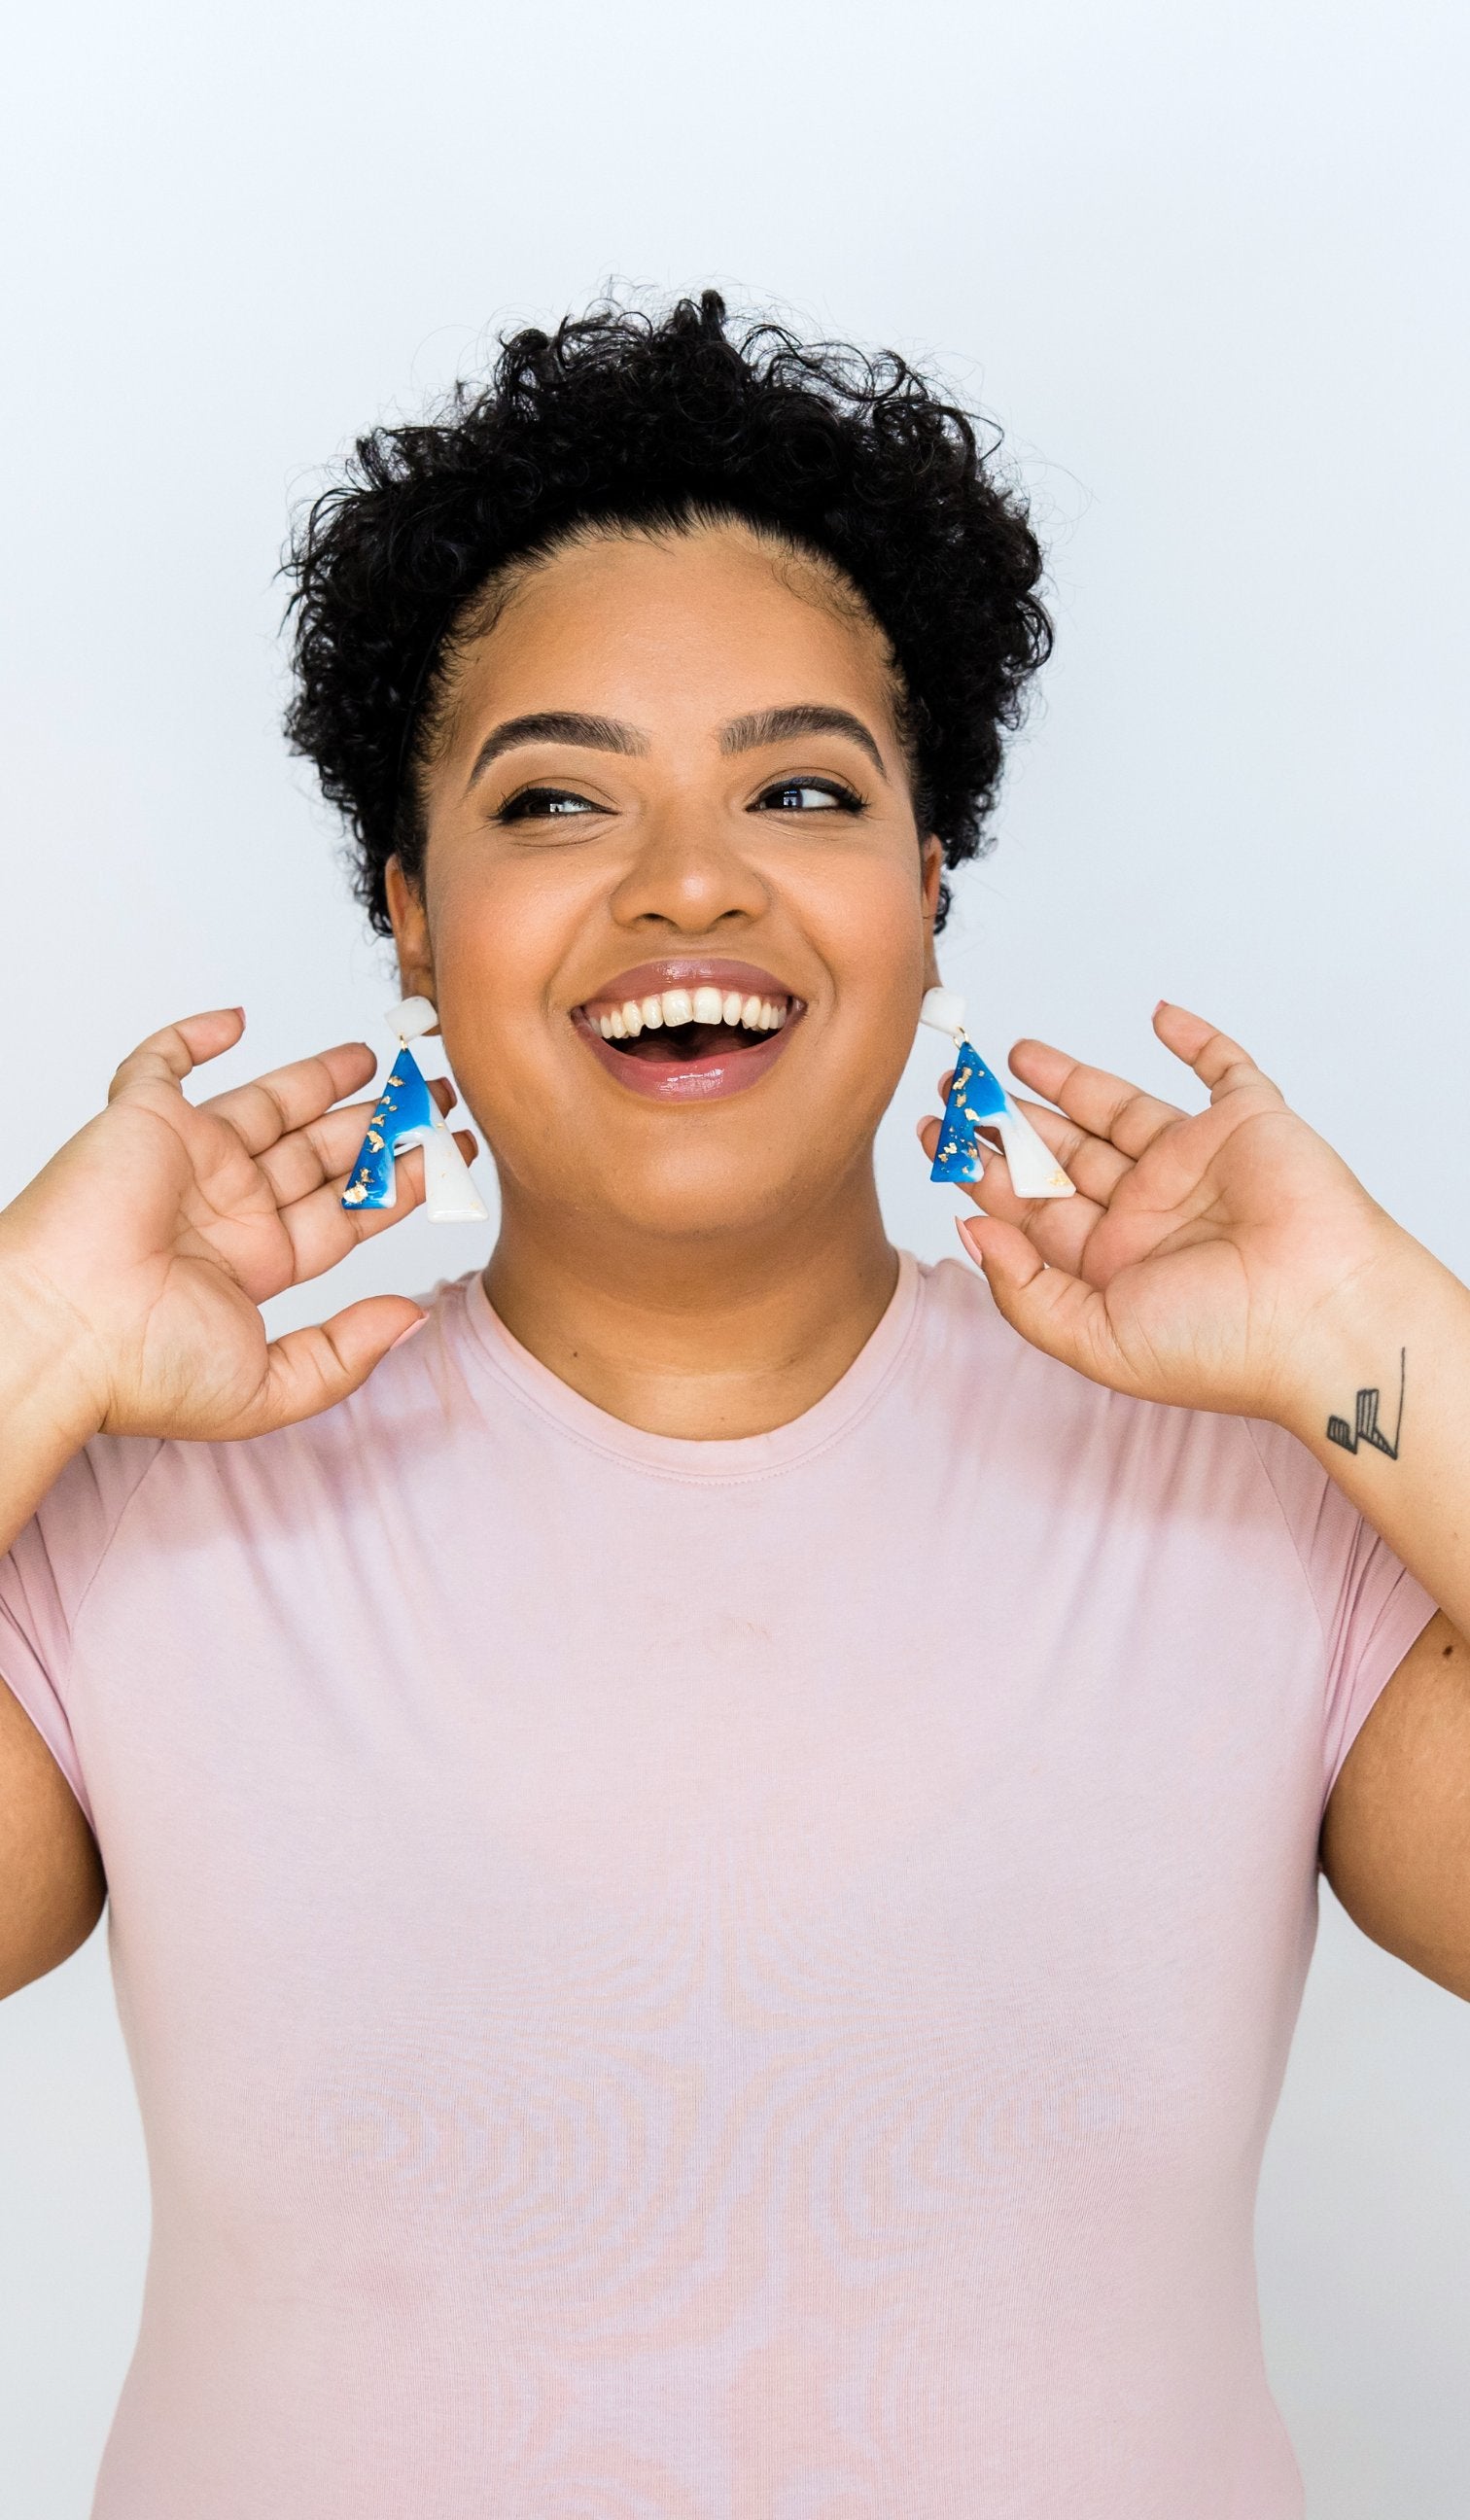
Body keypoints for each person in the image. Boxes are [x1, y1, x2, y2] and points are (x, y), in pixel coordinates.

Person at [1, 290, 1467, 2520]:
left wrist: (1378, 1332)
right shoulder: (141, 1514)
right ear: (408, 914)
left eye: (801, 789)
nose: (691, 881)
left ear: (925, 888)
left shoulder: (1265, 1496)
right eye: (558, 798)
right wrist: (31, 1339)